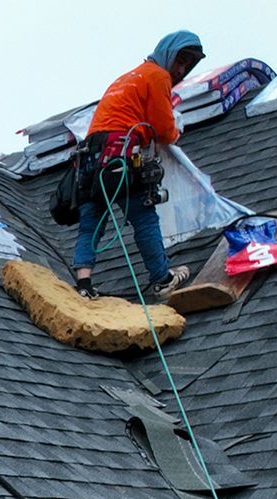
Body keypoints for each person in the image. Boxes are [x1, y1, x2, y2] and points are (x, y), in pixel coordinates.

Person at [72, 30, 206, 300]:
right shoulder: (158, 76)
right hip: (119, 153)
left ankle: (83, 285)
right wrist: (175, 133)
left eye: (187, 64)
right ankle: (162, 278)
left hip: (90, 157)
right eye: (180, 61)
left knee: (92, 220)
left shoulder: (129, 76)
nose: (181, 69)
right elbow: (164, 128)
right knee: (143, 215)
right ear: (167, 53)